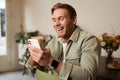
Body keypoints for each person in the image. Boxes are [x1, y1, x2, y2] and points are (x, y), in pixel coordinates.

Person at [27, 3, 101, 80]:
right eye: (54, 20)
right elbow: (30, 67)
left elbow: (89, 76)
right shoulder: (54, 41)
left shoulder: (89, 40)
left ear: (74, 20)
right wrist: (34, 55)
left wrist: (51, 61)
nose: (56, 24)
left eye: (61, 19)